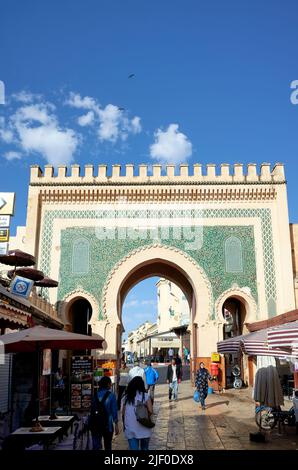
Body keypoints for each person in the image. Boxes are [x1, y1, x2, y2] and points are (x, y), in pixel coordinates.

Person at [121, 376, 153, 450]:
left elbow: (123, 413)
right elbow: (151, 411)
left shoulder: (125, 398)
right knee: (145, 448)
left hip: (130, 428)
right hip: (144, 427)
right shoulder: (145, 396)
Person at [90, 376, 119, 450]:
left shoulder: (95, 395)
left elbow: (92, 410)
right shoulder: (111, 395)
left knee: (96, 446)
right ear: (108, 384)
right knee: (108, 445)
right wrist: (116, 425)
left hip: (95, 424)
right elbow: (114, 411)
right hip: (107, 425)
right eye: (110, 383)